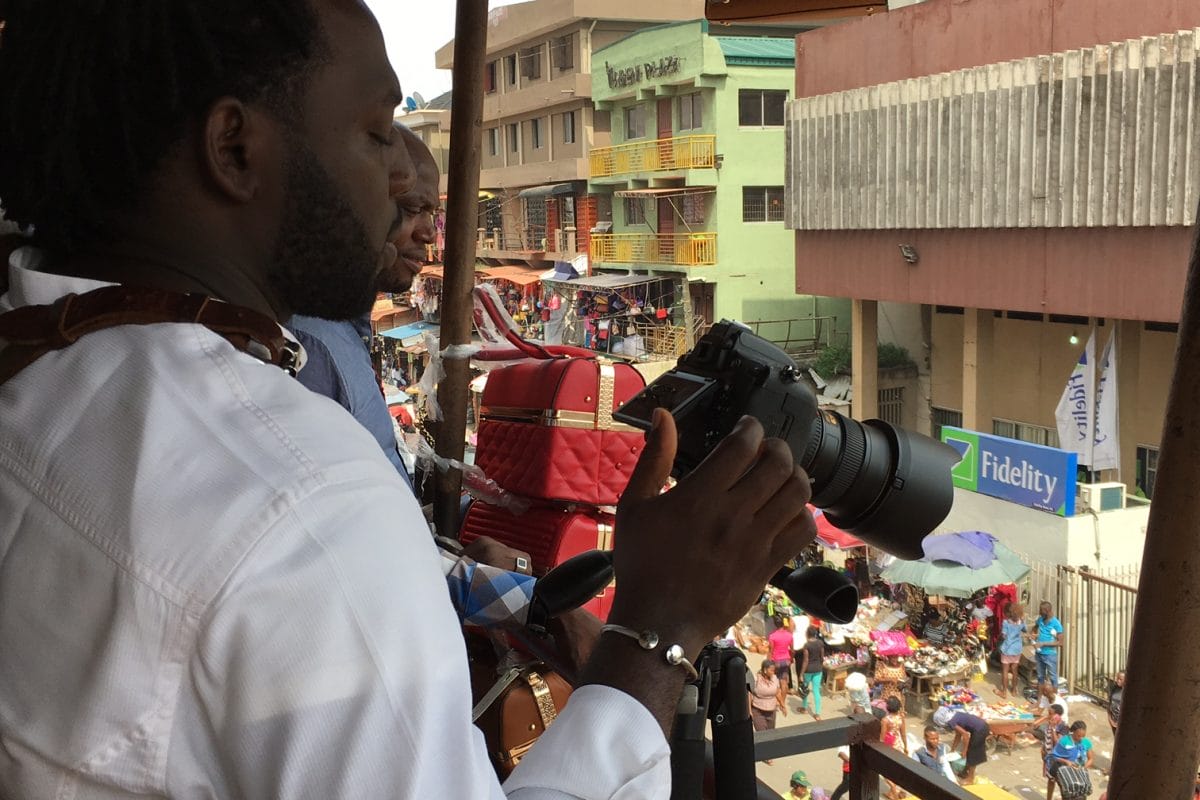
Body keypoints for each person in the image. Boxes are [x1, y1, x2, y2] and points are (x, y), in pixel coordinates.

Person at [0, 3, 820, 798]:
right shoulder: (299, 496)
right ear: (234, 149)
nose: (399, 180)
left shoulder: (42, 361)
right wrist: (657, 631)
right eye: (372, 132)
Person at [289, 123, 439, 489]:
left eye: (431, 212)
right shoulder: (313, 347)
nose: (429, 233)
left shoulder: (342, 335)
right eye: (411, 208)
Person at [750, 659, 788, 764]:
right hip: (757, 710)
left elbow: (777, 692)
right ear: (765, 670)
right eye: (771, 670)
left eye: (774, 670)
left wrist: (782, 705)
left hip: (771, 711)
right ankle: (766, 756)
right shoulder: (756, 680)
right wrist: (749, 710)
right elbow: (749, 695)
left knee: (770, 733)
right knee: (762, 733)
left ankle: (767, 751)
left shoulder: (774, 678)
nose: (773, 672)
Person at [1046, 721, 1094, 800]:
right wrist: (1066, 761)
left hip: (1078, 772)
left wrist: (1083, 767)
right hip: (1064, 771)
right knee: (1067, 793)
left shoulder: (1086, 742)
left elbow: (1091, 759)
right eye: (1078, 736)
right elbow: (1054, 756)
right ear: (1073, 732)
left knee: (1081, 793)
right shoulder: (1065, 741)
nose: (1081, 738)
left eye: (1083, 736)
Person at [950, 710, 991, 785]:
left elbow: (965, 735)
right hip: (982, 727)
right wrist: (952, 749)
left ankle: (970, 778)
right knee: (970, 752)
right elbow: (958, 735)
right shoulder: (956, 716)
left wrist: (964, 750)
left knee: (973, 753)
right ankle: (965, 771)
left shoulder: (951, 722)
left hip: (980, 730)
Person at [881, 696, 909, 799]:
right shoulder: (901, 718)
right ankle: (894, 791)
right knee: (896, 769)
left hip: (889, 747)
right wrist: (906, 747)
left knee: (884, 769)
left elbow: (882, 738)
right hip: (898, 745)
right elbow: (903, 734)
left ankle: (893, 789)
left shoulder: (885, 720)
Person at [998, 601, 1027, 698]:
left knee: (1005, 671)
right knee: (1015, 670)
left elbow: (1003, 635)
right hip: (1017, 650)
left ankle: (1004, 692)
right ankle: (1014, 690)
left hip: (1007, 649)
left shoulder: (1006, 622)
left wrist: (1001, 637)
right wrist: (1023, 621)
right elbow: (1025, 630)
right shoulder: (1021, 622)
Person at [1035, 601, 1065, 689]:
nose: (1040, 613)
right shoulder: (1040, 619)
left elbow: (1060, 642)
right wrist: (1033, 637)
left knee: (1052, 678)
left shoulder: (1056, 624)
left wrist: (1043, 644)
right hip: (1039, 653)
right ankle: (1040, 700)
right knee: (1040, 677)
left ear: (1047, 610)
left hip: (1050, 655)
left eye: (1041, 611)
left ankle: (1054, 700)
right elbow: (1034, 628)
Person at [799, 624, 826, 719]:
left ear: (807, 634)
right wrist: (820, 666)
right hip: (818, 670)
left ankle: (804, 707)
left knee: (805, 689)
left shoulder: (806, 645)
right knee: (816, 691)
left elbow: (805, 660)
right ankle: (817, 713)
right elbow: (822, 657)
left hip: (808, 670)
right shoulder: (820, 643)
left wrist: (801, 674)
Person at [768, 615, 795, 693]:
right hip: (786, 661)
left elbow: (771, 651)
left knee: (775, 682)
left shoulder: (772, 636)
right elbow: (792, 650)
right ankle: (783, 701)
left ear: (775, 624)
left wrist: (768, 662)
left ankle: (778, 701)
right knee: (784, 682)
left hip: (776, 661)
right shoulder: (789, 636)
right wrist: (791, 659)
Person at [1107, 670, 1125, 738]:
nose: (1118, 681)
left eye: (1121, 679)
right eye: (1117, 678)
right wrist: (1110, 719)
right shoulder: (1114, 688)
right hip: (1113, 722)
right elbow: (1109, 704)